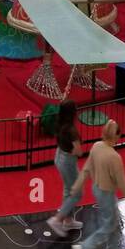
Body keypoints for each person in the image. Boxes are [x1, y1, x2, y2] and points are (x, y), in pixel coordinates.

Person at [70, 119, 125, 249]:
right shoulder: (114, 157)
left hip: (96, 189)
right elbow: (122, 183)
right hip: (107, 193)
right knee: (109, 225)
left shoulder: (96, 146)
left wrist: (77, 185)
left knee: (113, 220)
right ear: (116, 136)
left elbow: (87, 168)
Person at [47, 101, 86, 237]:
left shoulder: (59, 124)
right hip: (68, 161)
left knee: (68, 189)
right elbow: (79, 151)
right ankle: (58, 219)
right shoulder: (71, 130)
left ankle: (68, 220)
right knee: (77, 193)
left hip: (59, 156)